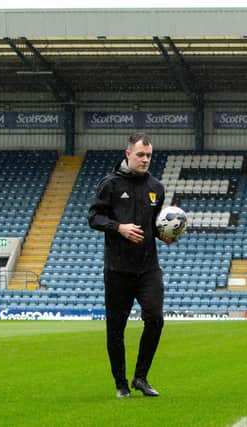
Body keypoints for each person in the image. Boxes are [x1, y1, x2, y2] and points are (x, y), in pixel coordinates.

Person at [88, 133, 176, 398]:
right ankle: (121, 383)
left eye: (149, 155)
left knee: (155, 319)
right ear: (128, 154)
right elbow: (94, 217)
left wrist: (165, 235)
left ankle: (141, 377)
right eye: (140, 154)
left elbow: (153, 226)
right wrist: (119, 228)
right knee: (116, 328)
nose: (145, 159)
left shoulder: (157, 188)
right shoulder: (110, 184)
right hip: (117, 269)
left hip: (148, 268)